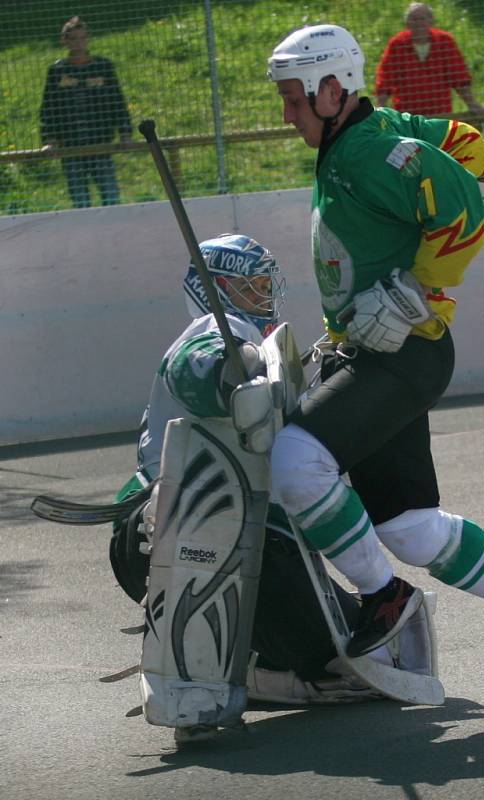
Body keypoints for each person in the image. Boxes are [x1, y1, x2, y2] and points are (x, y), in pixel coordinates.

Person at [267, 24, 484, 675]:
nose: (286, 114)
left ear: (330, 90)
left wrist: (412, 291)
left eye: (294, 99)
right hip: (384, 355)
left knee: (294, 461)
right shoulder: (371, 131)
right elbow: (456, 142)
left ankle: (384, 594)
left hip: (400, 356)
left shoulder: (366, 153)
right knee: (408, 530)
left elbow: (460, 212)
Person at [109, 233, 401, 711]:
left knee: (363, 641)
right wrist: (239, 366)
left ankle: (247, 659)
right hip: (162, 525)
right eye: (250, 287)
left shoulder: (251, 340)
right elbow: (195, 369)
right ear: (216, 289)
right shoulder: (217, 330)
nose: (263, 296)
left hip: (217, 527)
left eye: (265, 285)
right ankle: (242, 662)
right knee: (341, 655)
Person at [39, 16, 132, 208]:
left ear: (88, 39)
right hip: (70, 145)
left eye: (82, 38)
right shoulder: (57, 71)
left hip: (100, 143)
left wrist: (125, 133)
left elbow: (117, 101)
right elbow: (48, 107)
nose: (78, 43)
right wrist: (49, 139)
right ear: (64, 40)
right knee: (80, 200)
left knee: (111, 196)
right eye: (73, 39)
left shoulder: (103, 67)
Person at [376, 3, 484, 116]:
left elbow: (459, 76)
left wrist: (472, 104)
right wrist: (382, 107)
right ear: (407, 23)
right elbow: (385, 78)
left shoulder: (444, 41)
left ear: (431, 21)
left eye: (422, 18)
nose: (418, 22)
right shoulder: (397, 44)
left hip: (440, 111)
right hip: (407, 114)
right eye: (414, 19)